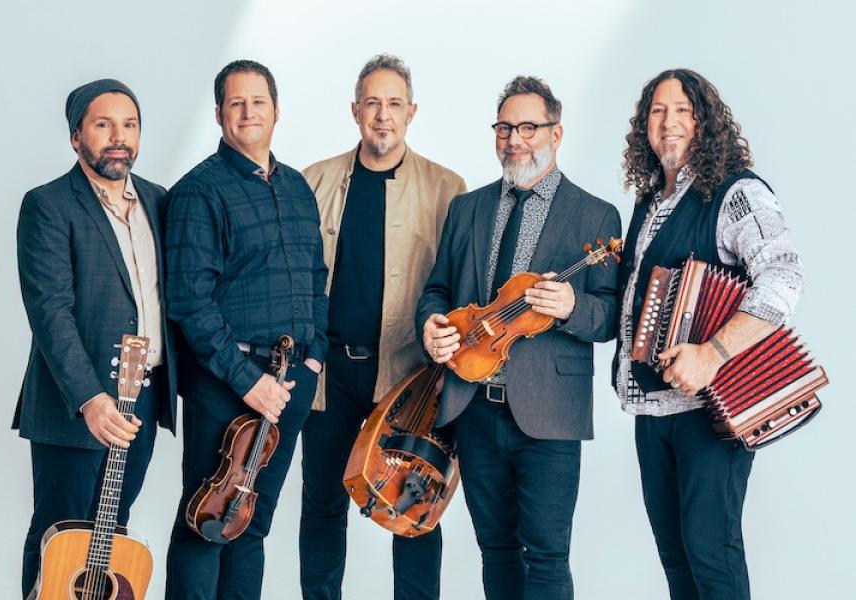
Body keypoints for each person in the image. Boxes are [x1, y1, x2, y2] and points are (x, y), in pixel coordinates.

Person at [416, 76, 621, 600]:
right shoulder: (468, 208)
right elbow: (438, 289)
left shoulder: (596, 215)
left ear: (557, 132)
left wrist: (574, 307)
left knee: (548, 555)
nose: (515, 139)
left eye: (528, 127)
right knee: (496, 549)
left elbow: (612, 316)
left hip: (550, 413)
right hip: (475, 407)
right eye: (505, 127)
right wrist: (433, 326)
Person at [614, 68, 804, 600]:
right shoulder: (649, 200)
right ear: (644, 125)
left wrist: (712, 353)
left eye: (682, 110)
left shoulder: (737, 193)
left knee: (710, 556)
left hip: (710, 412)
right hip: (651, 413)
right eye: (657, 111)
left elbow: (785, 276)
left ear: (705, 121)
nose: (668, 122)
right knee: (677, 560)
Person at [298, 54, 466, 600]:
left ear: (412, 113)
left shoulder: (447, 189)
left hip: (408, 377)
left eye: (394, 104)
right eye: (372, 103)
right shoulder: (315, 181)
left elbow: (461, 289)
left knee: (413, 507)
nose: (383, 116)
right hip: (329, 375)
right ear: (355, 110)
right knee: (321, 501)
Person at [163, 59, 328, 599]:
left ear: (277, 111)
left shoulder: (298, 188)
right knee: (206, 524)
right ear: (218, 115)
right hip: (226, 383)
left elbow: (317, 277)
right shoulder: (198, 192)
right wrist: (246, 380)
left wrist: (314, 358)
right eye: (236, 103)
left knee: (252, 525)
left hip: (291, 385)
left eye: (258, 102)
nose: (248, 112)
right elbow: (190, 301)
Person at [15, 78, 177, 598]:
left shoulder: (159, 201)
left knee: (110, 538)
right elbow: (50, 313)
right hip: (74, 407)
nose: (118, 137)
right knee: (59, 537)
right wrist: (89, 398)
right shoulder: (47, 205)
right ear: (76, 136)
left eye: (129, 125)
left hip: (143, 400)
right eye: (103, 124)